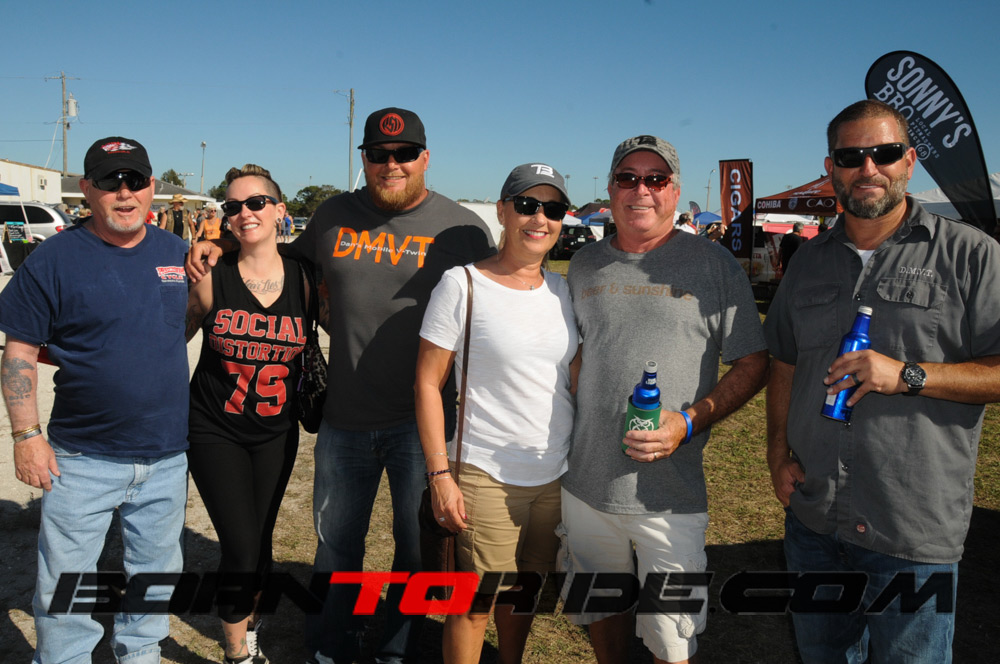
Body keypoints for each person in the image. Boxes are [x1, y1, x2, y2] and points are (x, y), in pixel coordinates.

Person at [187, 107, 495, 664]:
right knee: (335, 547)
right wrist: (222, 246)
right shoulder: (333, 215)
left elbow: (496, 306)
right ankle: (330, 646)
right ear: (365, 160)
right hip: (344, 418)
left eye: (404, 154)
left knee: (413, 551)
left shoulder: (463, 230)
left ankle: (395, 652)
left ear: (425, 158)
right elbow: (275, 258)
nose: (391, 164)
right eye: (378, 154)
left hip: (422, 425)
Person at [764, 99, 1000, 663]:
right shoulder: (808, 260)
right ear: (831, 168)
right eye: (851, 156)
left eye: (885, 153)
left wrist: (907, 375)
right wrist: (776, 451)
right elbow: (785, 362)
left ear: (909, 161)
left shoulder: (971, 255)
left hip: (911, 526)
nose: (868, 168)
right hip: (816, 519)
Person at [561, 135, 769, 664]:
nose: (642, 190)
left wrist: (689, 422)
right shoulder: (582, 264)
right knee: (600, 611)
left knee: (673, 642)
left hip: (670, 496)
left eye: (656, 179)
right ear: (611, 189)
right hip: (585, 485)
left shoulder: (714, 264)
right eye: (628, 178)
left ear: (674, 191)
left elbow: (753, 362)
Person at [0, 136, 189, 662]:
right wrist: (26, 436)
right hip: (81, 459)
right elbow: (19, 350)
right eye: (110, 181)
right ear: (87, 189)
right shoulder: (53, 259)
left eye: (135, 180)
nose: (124, 192)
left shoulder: (178, 253)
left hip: (166, 457)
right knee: (67, 586)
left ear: (152, 187)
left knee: (155, 578)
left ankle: (141, 654)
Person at [415, 163, 578, 664]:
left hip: (554, 475)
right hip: (485, 474)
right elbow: (427, 382)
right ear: (503, 212)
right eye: (527, 205)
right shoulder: (462, 284)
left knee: (524, 592)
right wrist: (440, 475)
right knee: (475, 605)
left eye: (552, 209)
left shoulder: (563, 291)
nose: (539, 218)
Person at [186, 164, 311, 664]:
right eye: (233, 206)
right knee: (239, 547)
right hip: (215, 429)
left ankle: (252, 620)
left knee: (259, 542)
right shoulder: (211, 278)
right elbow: (168, 339)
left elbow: (355, 330)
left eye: (256, 202)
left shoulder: (306, 278)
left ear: (280, 211)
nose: (244, 213)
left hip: (276, 433)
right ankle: (237, 653)